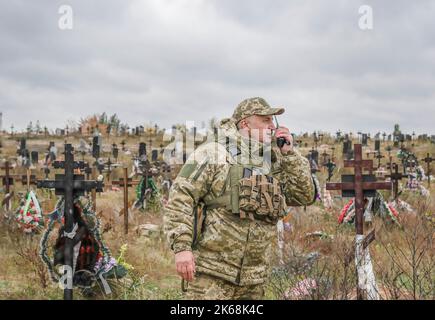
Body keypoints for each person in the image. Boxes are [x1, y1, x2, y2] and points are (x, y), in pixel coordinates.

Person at [164, 97, 317, 299]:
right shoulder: (213, 153)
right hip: (212, 273)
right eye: (266, 120)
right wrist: (182, 248)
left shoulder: (274, 159)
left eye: (273, 121)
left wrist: (290, 155)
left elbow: (303, 196)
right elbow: (181, 196)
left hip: (255, 279)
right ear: (245, 123)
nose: (273, 126)